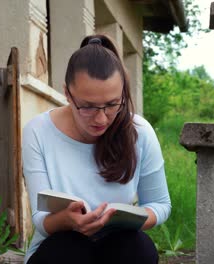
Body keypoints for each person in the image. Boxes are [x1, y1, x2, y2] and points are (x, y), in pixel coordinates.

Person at [22, 34, 171, 264]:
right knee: (69, 249)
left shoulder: (139, 131)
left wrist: (128, 219)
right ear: (67, 94)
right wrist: (68, 221)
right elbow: (41, 219)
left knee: (137, 247)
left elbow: (160, 205)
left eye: (112, 104)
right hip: (60, 249)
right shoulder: (38, 131)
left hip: (117, 246)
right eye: (88, 107)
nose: (101, 118)